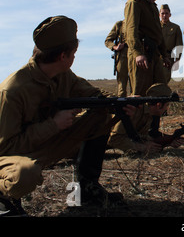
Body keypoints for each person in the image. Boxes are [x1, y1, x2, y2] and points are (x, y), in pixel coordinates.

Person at [0, 16, 136, 216]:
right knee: (24, 175)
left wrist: (122, 104)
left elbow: (95, 96)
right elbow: (5, 147)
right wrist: (53, 125)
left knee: (100, 114)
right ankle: (4, 198)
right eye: (74, 54)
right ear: (63, 56)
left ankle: (87, 189)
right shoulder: (12, 91)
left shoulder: (63, 75)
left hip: (45, 145)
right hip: (11, 156)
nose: (74, 59)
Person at [124, 0, 170, 138]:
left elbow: (158, 34)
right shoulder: (134, 3)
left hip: (154, 54)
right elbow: (131, 31)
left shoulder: (153, 7)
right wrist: (137, 54)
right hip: (142, 54)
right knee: (140, 95)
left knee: (160, 92)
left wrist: (164, 54)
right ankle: (135, 133)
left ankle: (153, 130)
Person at [107, 83, 182, 155]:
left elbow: (141, 137)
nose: (167, 108)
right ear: (159, 105)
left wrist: (168, 142)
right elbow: (113, 139)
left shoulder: (148, 114)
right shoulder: (133, 109)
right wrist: (142, 147)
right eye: (167, 105)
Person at [160, 4, 183, 84]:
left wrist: (177, 60)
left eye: (166, 13)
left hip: (168, 58)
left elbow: (179, 45)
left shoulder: (176, 28)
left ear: (170, 15)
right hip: (156, 58)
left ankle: (163, 96)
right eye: (162, 13)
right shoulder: (155, 27)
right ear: (159, 14)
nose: (164, 15)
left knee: (164, 81)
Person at [104, 20, 129, 96]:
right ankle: (121, 105)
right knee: (122, 87)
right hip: (122, 58)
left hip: (136, 57)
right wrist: (115, 47)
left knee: (137, 87)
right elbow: (108, 41)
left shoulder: (140, 23)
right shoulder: (120, 24)